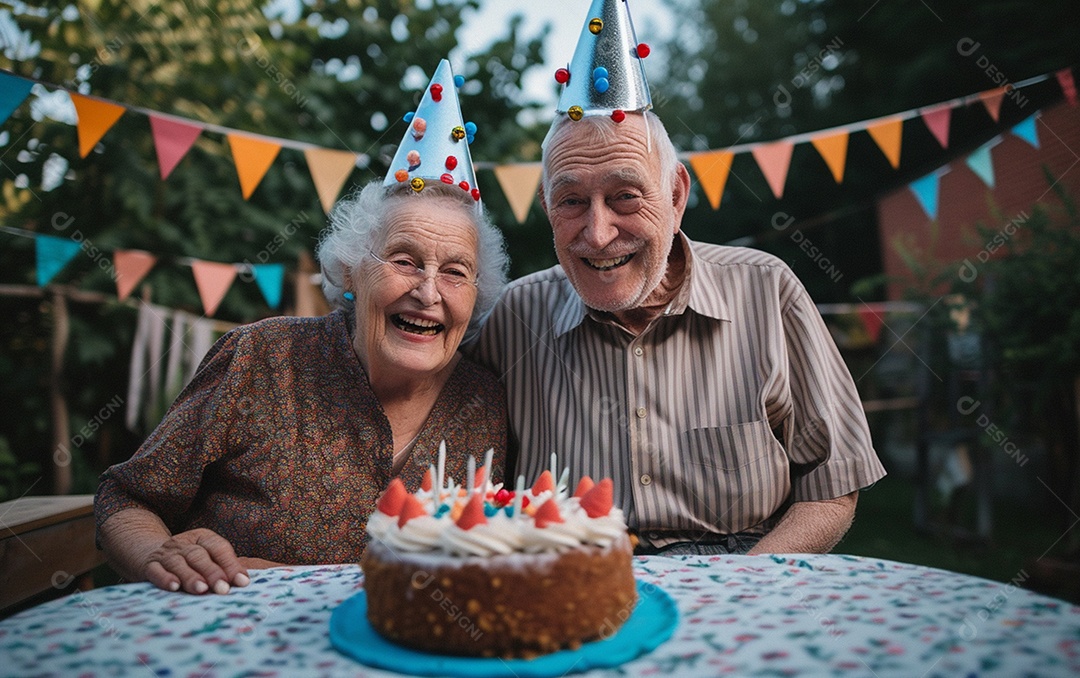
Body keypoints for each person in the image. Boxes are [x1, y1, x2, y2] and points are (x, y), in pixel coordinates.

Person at [471, 0, 885, 556]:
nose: (596, 233)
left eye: (624, 196)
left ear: (675, 196)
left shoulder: (767, 291)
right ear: (546, 206)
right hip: (571, 589)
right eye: (571, 200)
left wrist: (740, 592)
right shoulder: (516, 317)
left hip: (746, 590)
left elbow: (832, 487)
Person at [95, 60, 510, 594]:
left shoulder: (485, 403)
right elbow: (125, 497)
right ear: (350, 270)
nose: (428, 292)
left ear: (477, 295)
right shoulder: (261, 358)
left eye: (455, 272)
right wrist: (160, 554)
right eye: (404, 261)